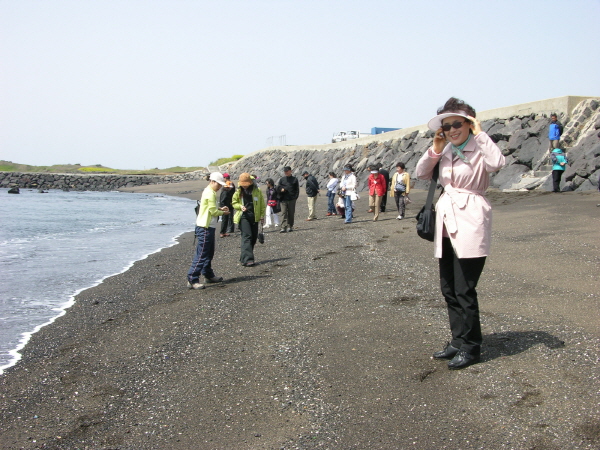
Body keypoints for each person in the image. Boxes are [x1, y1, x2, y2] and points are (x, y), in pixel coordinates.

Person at [415, 97, 505, 370]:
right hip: (446, 219)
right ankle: (457, 340)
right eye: (447, 126)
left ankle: (471, 346)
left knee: (465, 288)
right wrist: (436, 148)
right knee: (449, 287)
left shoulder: (480, 147)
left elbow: (497, 162)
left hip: (471, 217)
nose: (453, 130)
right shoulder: (445, 150)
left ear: (469, 124)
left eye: (458, 124)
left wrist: (480, 133)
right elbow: (420, 173)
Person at [186, 172, 230, 290]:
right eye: (219, 184)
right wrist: (223, 212)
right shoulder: (210, 193)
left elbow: (211, 208)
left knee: (208, 253)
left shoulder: (210, 192)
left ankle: (208, 275)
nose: (220, 187)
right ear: (213, 182)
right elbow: (213, 212)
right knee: (202, 254)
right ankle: (192, 278)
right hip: (204, 227)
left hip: (207, 227)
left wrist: (220, 208)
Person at [232, 173, 266, 267]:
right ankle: (248, 259)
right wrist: (240, 206)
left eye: (246, 184)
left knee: (254, 237)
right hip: (243, 217)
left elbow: (262, 204)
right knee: (247, 236)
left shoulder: (257, 190)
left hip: (255, 216)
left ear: (250, 183)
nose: (244, 186)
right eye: (242, 184)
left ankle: (244, 257)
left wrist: (262, 216)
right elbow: (234, 203)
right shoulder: (238, 191)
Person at [276, 166, 299, 233]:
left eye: (287, 171)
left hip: (292, 199)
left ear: (290, 171)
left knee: (291, 213)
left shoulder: (295, 179)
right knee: (283, 213)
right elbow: (278, 187)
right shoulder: (282, 179)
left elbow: (297, 189)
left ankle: (290, 226)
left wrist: (295, 197)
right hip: (283, 199)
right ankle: (283, 227)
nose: (286, 172)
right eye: (285, 171)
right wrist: (281, 189)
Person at [218, 173, 235, 237]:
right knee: (229, 217)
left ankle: (222, 232)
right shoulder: (232, 184)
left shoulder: (226, 185)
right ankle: (227, 230)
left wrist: (221, 205)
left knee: (225, 218)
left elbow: (224, 196)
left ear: (225, 178)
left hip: (225, 203)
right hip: (230, 202)